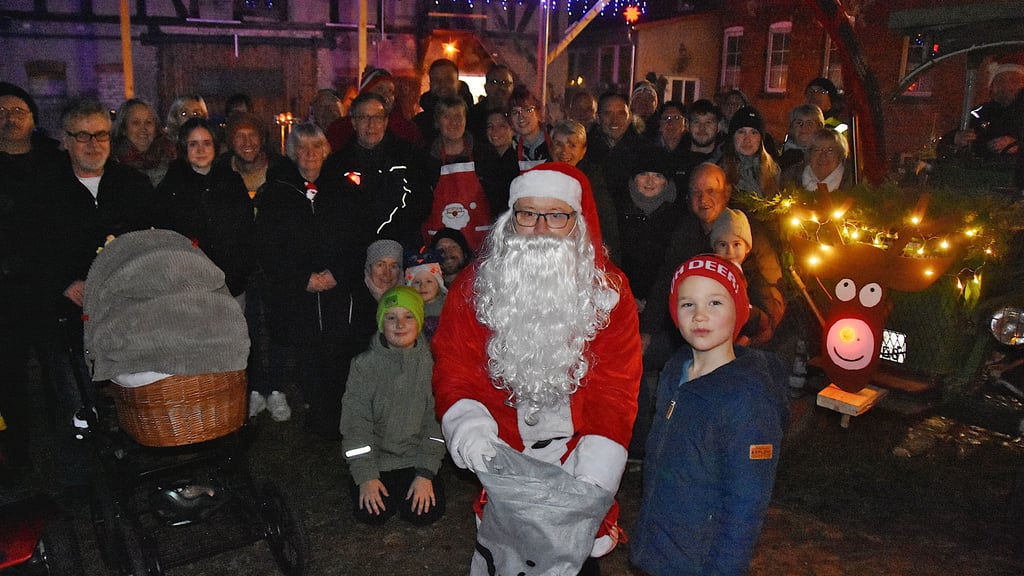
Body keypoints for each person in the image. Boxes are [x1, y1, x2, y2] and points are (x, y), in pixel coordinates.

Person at [432, 163, 642, 575]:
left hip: (580, 454)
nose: (541, 229)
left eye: (557, 216)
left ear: (577, 223)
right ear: (511, 220)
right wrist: (470, 424)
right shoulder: (476, 287)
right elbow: (454, 366)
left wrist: (595, 473)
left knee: (575, 561)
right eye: (528, 214)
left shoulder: (609, 292)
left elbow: (616, 388)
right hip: (506, 455)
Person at [630, 254, 789, 576]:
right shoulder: (676, 370)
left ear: (739, 311)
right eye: (688, 304)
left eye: (715, 303)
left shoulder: (747, 398)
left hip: (701, 563)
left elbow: (746, 504)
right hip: (658, 551)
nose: (700, 315)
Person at [639, 163, 786, 366]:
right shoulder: (686, 230)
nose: (703, 199)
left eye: (711, 191)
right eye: (696, 192)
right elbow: (667, 280)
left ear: (726, 193)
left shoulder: (744, 233)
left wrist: (746, 341)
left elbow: (770, 297)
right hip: (691, 331)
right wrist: (647, 331)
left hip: (743, 338)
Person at [254, 123, 345, 429]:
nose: (310, 155)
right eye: (302, 148)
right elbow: (268, 246)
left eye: (316, 147)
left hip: (333, 289)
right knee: (297, 349)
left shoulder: (339, 190)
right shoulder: (278, 192)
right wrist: (302, 278)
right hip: (297, 289)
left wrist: (336, 273)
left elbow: (353, 237)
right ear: (292, 153)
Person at [340, 285, 447, 526]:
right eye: (391, 317)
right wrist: (366, 476)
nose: (400, 325)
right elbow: (355, 425)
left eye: (408, 316)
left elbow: (437, 424)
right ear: (381, 324)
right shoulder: (363, 366)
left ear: (419, 321)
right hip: (377, 460)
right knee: (372, 514)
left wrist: (426, 473)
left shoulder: (433, 364)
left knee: (424, 513)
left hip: (415, 459)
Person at [0, 82, 65, 468]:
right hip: (5, 289)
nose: (9, 119)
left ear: (33, 118)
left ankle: (70, 451)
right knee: (9, 374)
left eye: (17, 111)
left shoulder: (53, 161)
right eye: (1, 113)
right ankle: (16, 453)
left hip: (50, 283)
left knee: (60, 370)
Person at [157, 118, 255, 299]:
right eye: (193, 144)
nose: (201, 150)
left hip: (230, 284)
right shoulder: (171, 187)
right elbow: (167, 239)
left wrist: (238, 272)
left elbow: (246, 230)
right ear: (184, 148)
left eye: (206, 144)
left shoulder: (231, 182)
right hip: (189, 287)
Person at [422, 96, 492, 251]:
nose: (454, 122)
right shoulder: (424, 158)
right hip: (439, 243)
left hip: (477, 242)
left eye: (458, 116)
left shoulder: (484, 154)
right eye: (447, 117)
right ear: (437, 122)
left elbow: (496, 198)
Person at [550, 119, 620, 263]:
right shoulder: (541, 176)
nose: (565, 151)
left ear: (583, 151)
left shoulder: (593, 181)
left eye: (572, 145)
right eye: (559, 144)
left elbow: (607, 224)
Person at [943, 63, 1024, 164]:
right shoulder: (978, 113)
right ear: (991, 87)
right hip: (981, 174)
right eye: (1000, 81)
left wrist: (1017, 147)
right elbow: (944, 145)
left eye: (1014, 80)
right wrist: (955, 139)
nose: (1007, 85)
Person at [327, 66, 423, 151]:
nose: (386, 95)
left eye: (391, 91)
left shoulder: (407, 129)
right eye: (379, 89)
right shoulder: (340, 130)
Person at [585, 91, 654, 205]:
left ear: (630, 117)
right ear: (598, 118)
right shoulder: (585, 150)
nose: (615, 120)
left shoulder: (646, 152)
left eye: (621, 113)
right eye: (608, 113)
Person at [219, 112, 286, 199]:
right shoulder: (219, 173)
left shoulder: (282, 172)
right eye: (240, 136)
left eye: (252, 135)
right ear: (231, 141)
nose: (247, 142)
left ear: (262, 139)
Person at [111, 98, 175, 186]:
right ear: (123, 129)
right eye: (136, 123)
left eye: (148, 122)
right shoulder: (112, 164)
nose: (143, 129)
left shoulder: (172, 158)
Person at [719, 105, 780, 198]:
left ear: (760, 139)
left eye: (754, 133)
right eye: (741, 132)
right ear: (733, 137)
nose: (747, 139)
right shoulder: (719, 170)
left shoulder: (773, 171)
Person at [474, 109, 519, 218]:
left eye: (501, 126)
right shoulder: (484, 160)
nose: (494, 130)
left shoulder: (517, 162)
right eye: (490, 126)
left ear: (512, 130)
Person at [413, 58, 470, 144]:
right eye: (436, 80)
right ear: (430, 84)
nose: (442, 84)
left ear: (458, 84)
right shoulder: (418, 125)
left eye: (448, 80)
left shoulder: (475, 120)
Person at [781, 128, 853, 193]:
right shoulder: (789, 179)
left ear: (840, 155)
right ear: (809, 154)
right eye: (817, 150)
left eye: (830, 150)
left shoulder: (853, 181)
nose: (823, 155)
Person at [404, 250, 447, 341]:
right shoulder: (406, 309)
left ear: (438, 284)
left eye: (429, 281)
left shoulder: (448, 306)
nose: (423, 286)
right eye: (417, 282)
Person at [507, 86, 551, 170]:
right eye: (515, 112)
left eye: (527, 110)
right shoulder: (510, 148)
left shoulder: (555, 142)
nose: (521, 117)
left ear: (538, 113)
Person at [468, 63, 515, 142]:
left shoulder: (518, 113)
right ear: (486, 87)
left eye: (505, 83)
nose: (501, 87)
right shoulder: (473, 115)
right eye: (494, 82)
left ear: (512, 87)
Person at [778, 103, 825, 172]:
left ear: (819, 127)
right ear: (791, 128)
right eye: (799, 123)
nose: (804, 127)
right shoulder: (782, 158)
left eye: (809, 123)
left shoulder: (827, 154)